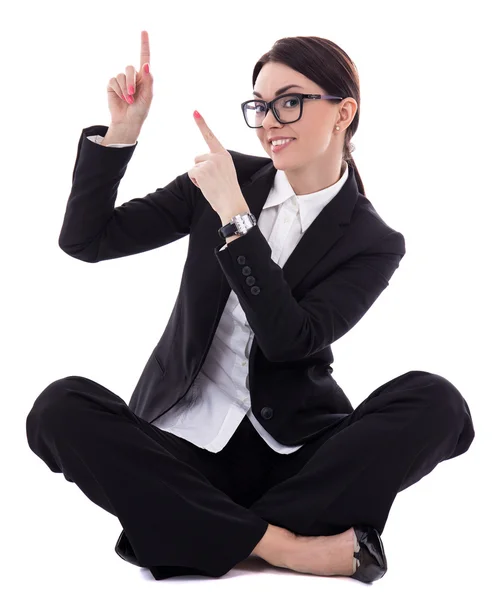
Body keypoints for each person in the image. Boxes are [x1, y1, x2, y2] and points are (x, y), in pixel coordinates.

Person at [25, 30, 475, 583]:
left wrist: (238, 221)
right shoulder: (218, 180)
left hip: (298, 457)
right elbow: (86, 241)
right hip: (184, 446)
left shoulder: (372, 240)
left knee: (440, 403)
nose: (268, 122)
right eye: (260, 106)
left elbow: (290, 340)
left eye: (289, 102)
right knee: (58, 409)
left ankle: (192, 530)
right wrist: (122, 134)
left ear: (343, 112)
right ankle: (286, 546)